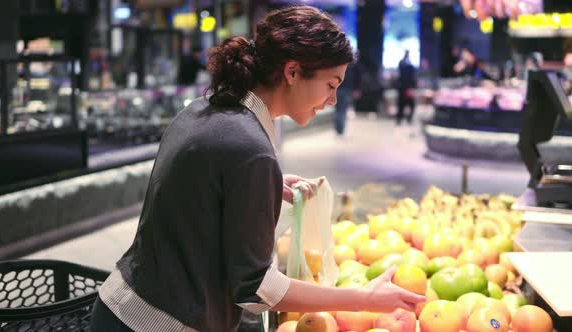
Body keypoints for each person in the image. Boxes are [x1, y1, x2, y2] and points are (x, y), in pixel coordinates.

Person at [90, 6, 424, 332]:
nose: (333, 100)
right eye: (331, 85)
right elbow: (255, 289)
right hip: (160, 321)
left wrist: (263, 189)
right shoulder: (250, 147)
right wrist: (364, 298)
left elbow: (195, 196)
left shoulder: (206, 109)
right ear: (292, 72)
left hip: (124, 302)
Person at [396, 50, 417, 125]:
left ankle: (403, 119)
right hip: (405, 88)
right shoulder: (405, 64)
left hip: (403, 87)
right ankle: (404, 119)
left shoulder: (403, 63)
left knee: (404, 105)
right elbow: (411, 77)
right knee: (407, 105)